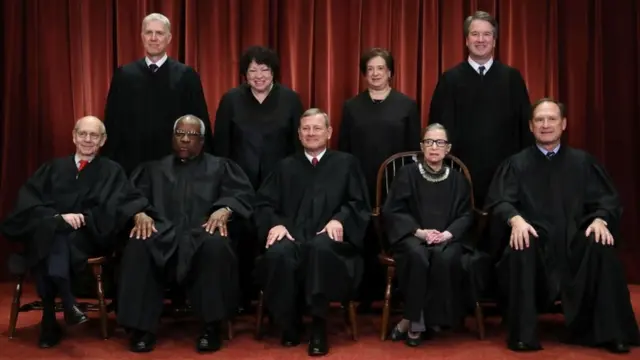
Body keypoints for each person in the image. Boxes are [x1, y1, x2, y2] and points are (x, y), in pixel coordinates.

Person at [485, 98, 639, 353]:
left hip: (575, 245)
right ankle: (523, 335)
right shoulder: (516, 164)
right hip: (536, 246)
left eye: (552, 119)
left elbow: (607, 200)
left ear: (564, 124)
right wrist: (516, 219)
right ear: (531, 127)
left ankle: (612, 333)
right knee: (521, 243)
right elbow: (500, 201)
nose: (546, 125)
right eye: (540, 120)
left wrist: (601, 218)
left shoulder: (583, 163)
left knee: (600, 243)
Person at [0, 116, 143, 348]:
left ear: (103, 140)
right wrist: (57, 218)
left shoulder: (112, 171)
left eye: (94, 135)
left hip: (88, 237)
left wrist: (84, 219)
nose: (87, 140)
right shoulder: (52, 168)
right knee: (53, 231)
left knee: (52, 236)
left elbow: (114, 209)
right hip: (51, 232)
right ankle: (67, 303)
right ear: (74, 136)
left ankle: (51, 316)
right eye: (83, 134)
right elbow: (28, 203)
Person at [116, 115, 254, 353]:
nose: (185, 140)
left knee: (216, 245)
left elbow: (242, 195)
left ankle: (211, 327)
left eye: (191, 135)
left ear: (202, 141)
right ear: (172, 138)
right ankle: (142, 329)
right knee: (139, 243)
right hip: (162, 234)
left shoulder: (221, 167)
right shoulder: (153, 169)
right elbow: (130, 196)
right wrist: (139, 212)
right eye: (180, 134)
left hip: (201, 233)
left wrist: (226, 208)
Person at [253, 108, 371, 356]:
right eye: (306, 128)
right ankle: (289, 322)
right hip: (292, 235)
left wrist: (340, 220)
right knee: (279, 254)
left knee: (320, 250)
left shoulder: (346, 163)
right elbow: (263, 203)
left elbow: (359, 204)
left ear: (328, 132)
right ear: (298, 133)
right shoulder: (285, 166)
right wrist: (276, 224)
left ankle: (319, 326)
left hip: (329, 239)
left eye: (317, 128)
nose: (311, 133)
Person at [212, 45, 304, 311]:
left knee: (276, 237)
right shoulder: (231, 100)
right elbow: (222, 147)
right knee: (240, 238)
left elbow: (298, 145)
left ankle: (279, 299)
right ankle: (239, 297)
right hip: (239, 183)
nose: (259, 76)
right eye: (253, 70)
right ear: (244, 74)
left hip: (280, 184)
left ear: (274, 72)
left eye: (264, 69)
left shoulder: (290, 99)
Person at [339, 47, 421, 311]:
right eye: (370, 69)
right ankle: (363, 293)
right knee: (363, 235)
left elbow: (413, 152)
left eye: (380, 69)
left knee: (394, 233)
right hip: (360, 180)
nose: (375, 74)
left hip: (395, 184)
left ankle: (399, 293)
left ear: (390, 73)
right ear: (364, 74)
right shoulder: (351, 107)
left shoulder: (406, 105)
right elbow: (344, 148)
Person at [428, 11, 532, 211]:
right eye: (475, 34)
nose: (481, 40)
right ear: (467, 40)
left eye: (487, 34)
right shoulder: (449, 79)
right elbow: (437, 127)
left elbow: (525, 128)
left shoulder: (512, 78)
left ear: (494, 40)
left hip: (504, 174)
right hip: (460, 173)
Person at [382, 123, 473, 347]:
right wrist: (420, 232)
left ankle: (409, 319)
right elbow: (393, 210)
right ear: (422, 146)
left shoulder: (457, 179)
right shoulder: (407, 174)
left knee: (445, 257)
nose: (434, 147)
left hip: (446, 239)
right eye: (429, 142)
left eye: (440, 142)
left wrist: (447, 235)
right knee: (418, 256)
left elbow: (466, 215)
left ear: (448, 148)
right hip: (413, 236)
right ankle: (418, 323)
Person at [102, 13, 212, 175]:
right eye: (149, 32)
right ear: (142, 37)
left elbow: (199, 121)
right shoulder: (124, 75)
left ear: (169, 38)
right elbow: (112, 122)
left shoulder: (186, 75)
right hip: (131, 163)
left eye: (159, 33)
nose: (154, 38)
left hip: (174, 165)